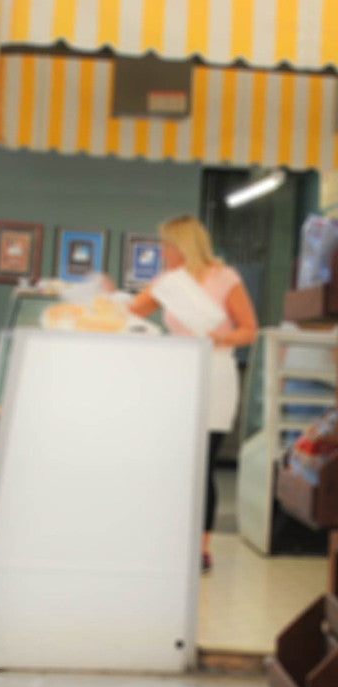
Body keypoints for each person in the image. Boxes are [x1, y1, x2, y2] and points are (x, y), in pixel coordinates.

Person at [128, 215, 258, 570]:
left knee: (202, 465)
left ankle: (201, 548)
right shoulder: (168, 282)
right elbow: (132, 310)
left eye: (167, 245)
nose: (162, 251)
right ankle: (168, 537)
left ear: (184, 246)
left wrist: (220, 338)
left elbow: (249, 330)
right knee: (173, 463)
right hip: (177, 374)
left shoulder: (225, 278)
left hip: (215, 373)